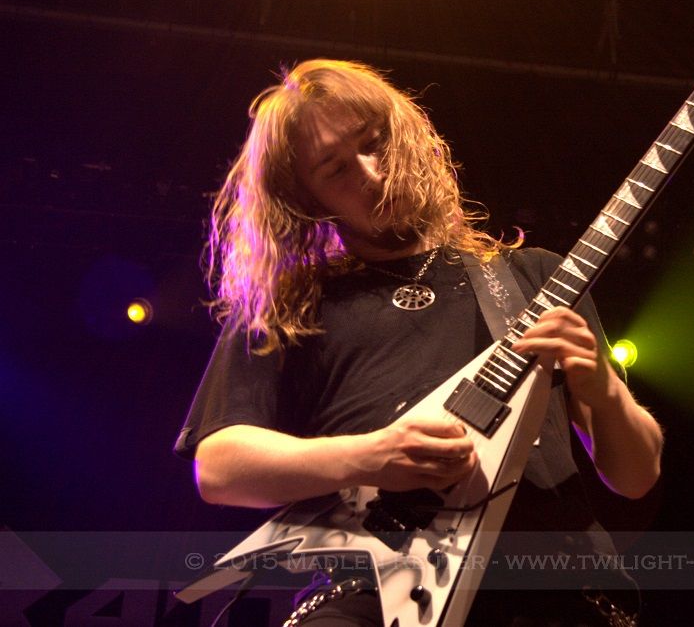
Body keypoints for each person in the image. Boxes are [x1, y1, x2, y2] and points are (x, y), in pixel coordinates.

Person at [175, 59, 663, 626]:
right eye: (336, 168)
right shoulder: (288, 304)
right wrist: (371, 455)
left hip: (557, 590)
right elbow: (220, 467)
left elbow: (636, 477)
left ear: (406, 133)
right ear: (308, 200)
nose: (371, 172)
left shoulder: (534, 276)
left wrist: (604, 390)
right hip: (370, 597)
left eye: (374, 143)